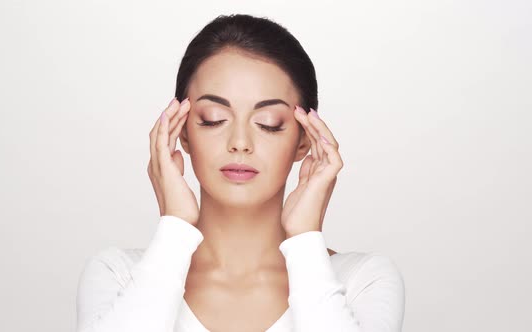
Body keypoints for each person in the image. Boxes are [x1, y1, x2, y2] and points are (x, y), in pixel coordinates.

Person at [75, 14, 405, 332]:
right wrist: (174, 227)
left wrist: (305, 239)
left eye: (269, 124)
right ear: (182, 132)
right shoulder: (118, 275)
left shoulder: (361, 281)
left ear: (305, 139)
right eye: (214, 118)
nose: (240, 143)